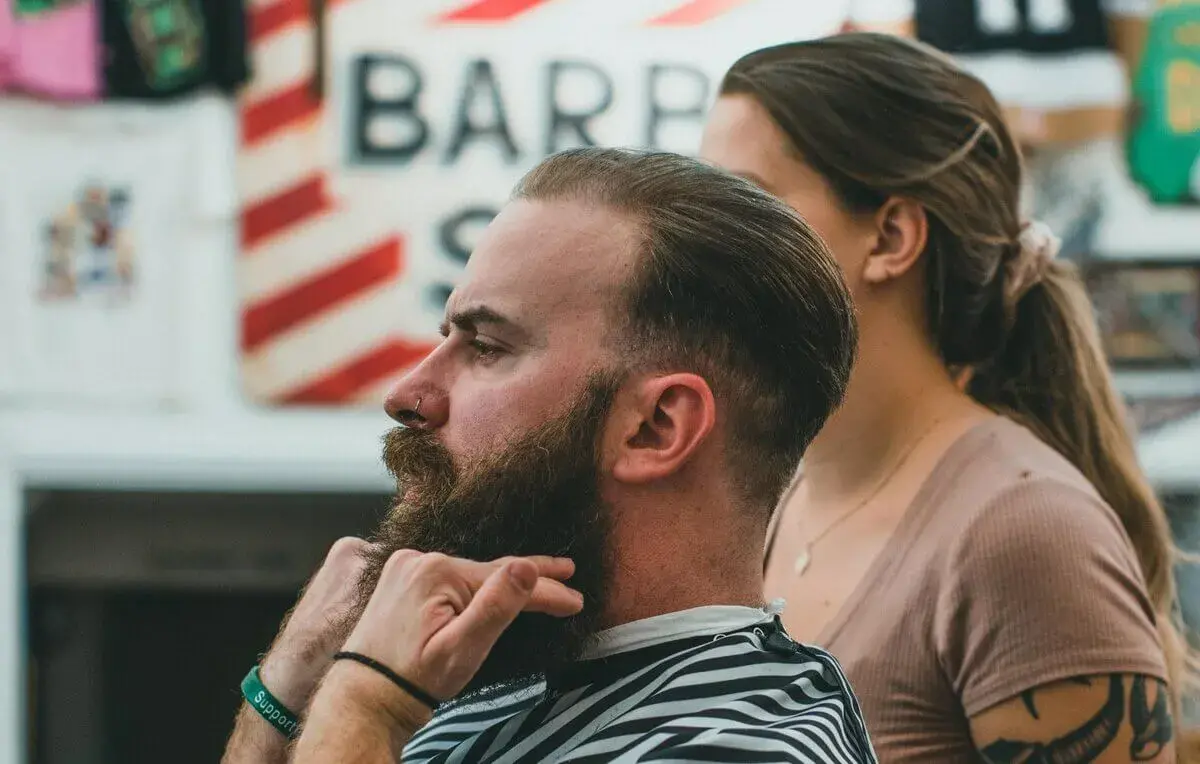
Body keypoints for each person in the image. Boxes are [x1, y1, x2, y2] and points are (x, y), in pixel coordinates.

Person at [221, 147, 875, 763]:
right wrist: (280, 699)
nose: (405, 394)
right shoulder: (478, 685)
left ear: (655, 427)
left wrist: (366, 701)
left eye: (486, 347)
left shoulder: (746, 746)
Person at [699, 33, 1190, 763]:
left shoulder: (1022, 532)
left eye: (746, 204)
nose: (696, 244)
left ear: (892, 236)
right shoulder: (779, 489)